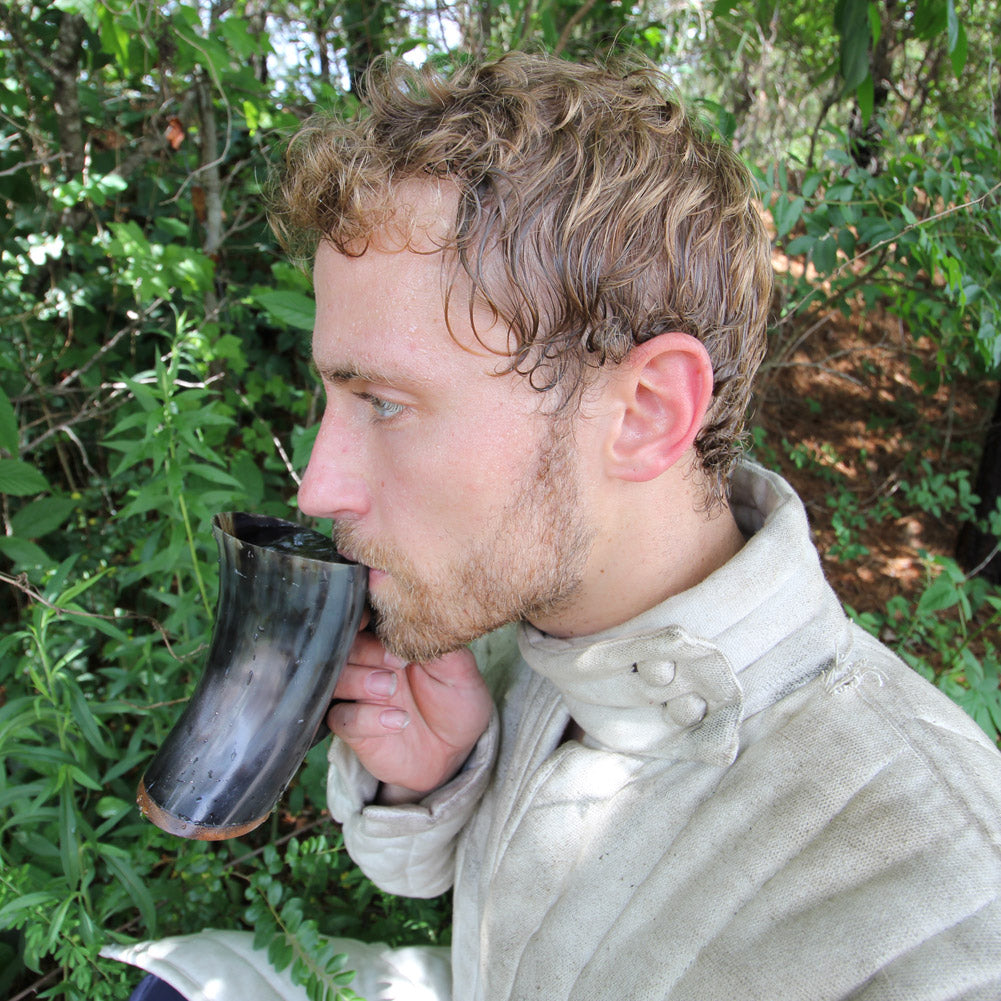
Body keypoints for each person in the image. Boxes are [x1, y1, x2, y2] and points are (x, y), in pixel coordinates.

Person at [105, 52, 1001, 1000]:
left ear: (645, 411)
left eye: (385, 403)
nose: (319, 486)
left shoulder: (937, 900)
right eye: (333, 392)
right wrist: (436, 778)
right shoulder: (531, 613)